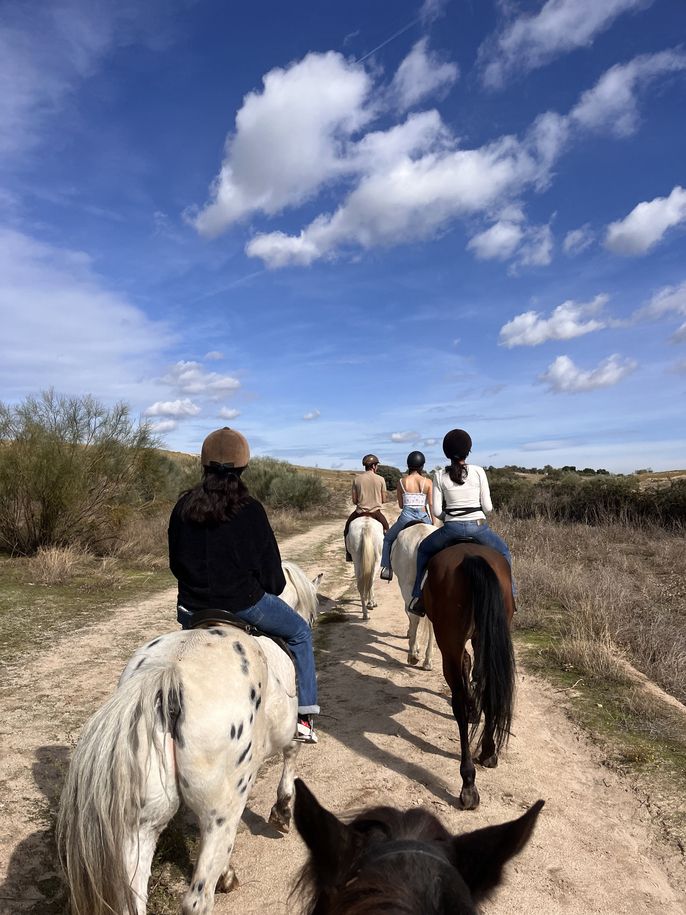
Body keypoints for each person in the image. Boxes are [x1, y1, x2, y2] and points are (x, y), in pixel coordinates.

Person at [168, 427, 319, 743]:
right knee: (301, 633)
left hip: (190, 609)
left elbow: (176, 565)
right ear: (242, 468)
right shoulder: (250, 510)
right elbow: (274, 581)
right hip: (243, 604)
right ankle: (304, 717)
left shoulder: (182, 507)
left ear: (204, 465)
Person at [408, 429, 515, 615]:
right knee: (504, 552)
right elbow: (488, 508)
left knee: (423, 550)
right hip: (479, 528)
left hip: (451, 529)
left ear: (446, 453)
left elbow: (436, 511)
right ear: (468, 450)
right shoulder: (479, 472)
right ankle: (511, 596)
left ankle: (418, 596)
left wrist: (449, 517)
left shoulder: (439, 475)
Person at [379, 451, 433, 581]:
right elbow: (431, 505)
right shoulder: (428, 482)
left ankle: (386, 568)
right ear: (422, 465)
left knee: (387, 539)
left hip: (406, 516)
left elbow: (401, 505)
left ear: (409, 465)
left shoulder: (402, 482)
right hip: (423, 517)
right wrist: (434, 523)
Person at [343, 454, 389, 561]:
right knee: (387, 530)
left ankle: (348, 554)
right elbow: (384, 499)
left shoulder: (357, 480)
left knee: (346, 530)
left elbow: (354, 501)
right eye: (376, 465)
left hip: (359, 512)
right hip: (376, 513)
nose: (377, 467)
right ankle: (387, 557)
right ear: (373, 466)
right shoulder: (381, 479)